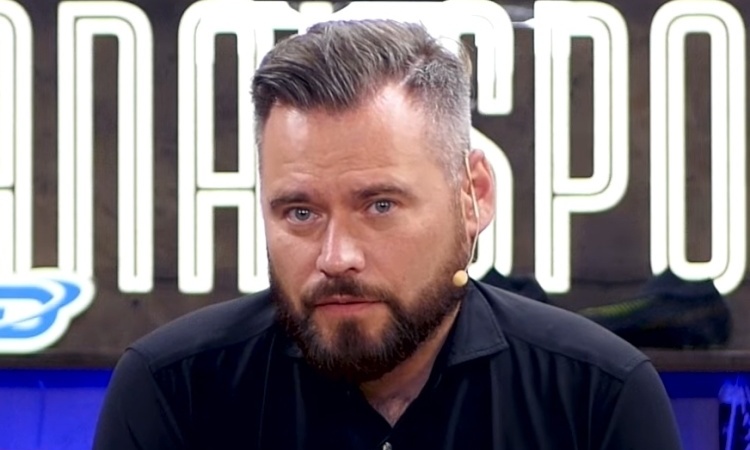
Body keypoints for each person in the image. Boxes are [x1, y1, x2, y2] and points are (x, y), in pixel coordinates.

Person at [93, 19, 683, 450]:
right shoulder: (175, 391)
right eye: (300, 212)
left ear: (473, 195)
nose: (336, 257)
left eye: (379, 205)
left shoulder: (596, 397)